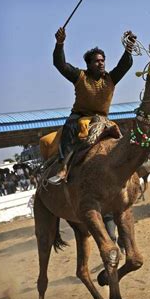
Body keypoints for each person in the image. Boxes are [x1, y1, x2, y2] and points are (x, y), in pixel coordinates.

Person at [48, 27, 136, 185]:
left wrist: (129, 48)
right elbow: (59, 64)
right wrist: (59, 43)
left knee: (122, 138)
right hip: (80, 117)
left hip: (102, 119)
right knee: (69, 127)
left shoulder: (111, 78)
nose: (101, 63)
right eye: (97, 61)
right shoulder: (79, 76)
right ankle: (63, 168)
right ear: (88, 64)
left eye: (103, 60)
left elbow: (124, 66)